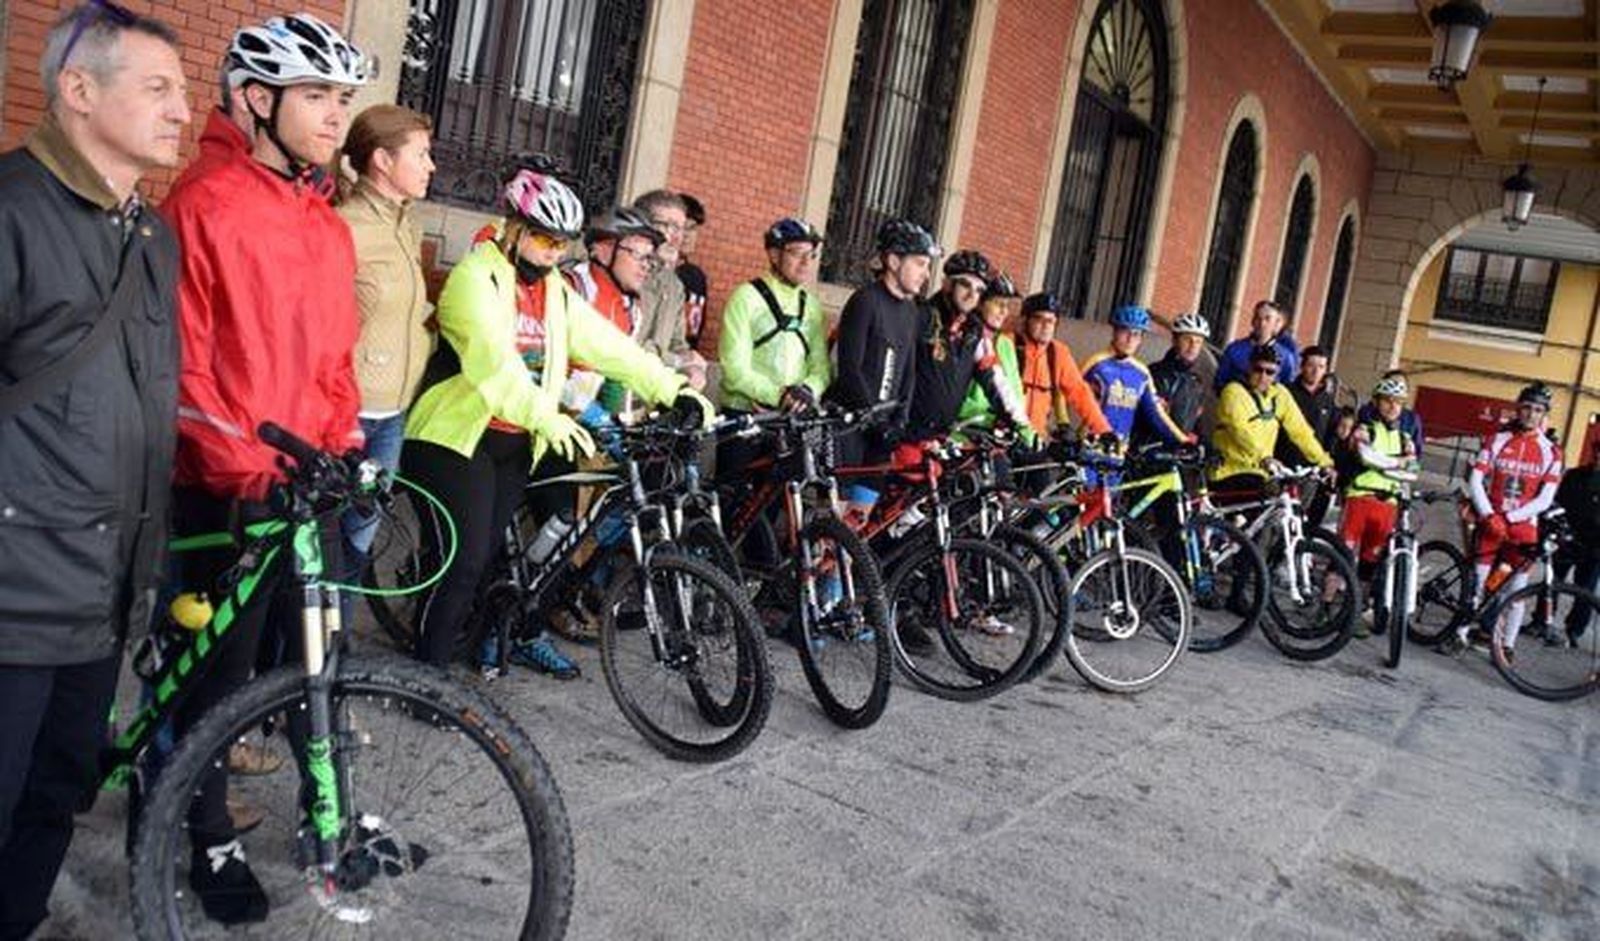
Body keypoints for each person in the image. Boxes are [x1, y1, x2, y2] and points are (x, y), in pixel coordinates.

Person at [161, 13, 372, 924]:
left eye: (341, 98)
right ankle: (197, 828)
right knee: (218, 674)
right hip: (226, 486)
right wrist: (250, 465)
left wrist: (345, 447)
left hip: (306, 487)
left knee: (320, 657)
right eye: (317, 96)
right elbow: (183, 367)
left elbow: (333, 361)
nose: (335, 116)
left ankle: (332, 820)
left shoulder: (324, 222)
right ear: (256, 99)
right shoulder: (200, 203)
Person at [0, 8, 187, 936]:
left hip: (108, 586)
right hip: (13, 589)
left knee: (56, 796)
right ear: (78, 91)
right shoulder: (10, 211)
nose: (182, 111)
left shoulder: (152, 239)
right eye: (156, 88)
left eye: (182, 92)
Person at [401, 168, 712, 676]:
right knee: (465, 563)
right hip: (458, 436)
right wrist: (549, 416)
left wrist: (671, 389)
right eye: (545, 238)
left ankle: (483, 648)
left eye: (562, 243)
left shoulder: (552, 291)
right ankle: (425, 674)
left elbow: (610, 348)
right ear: (514, 227)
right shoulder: (474, 278)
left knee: (494, 564)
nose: (553, 252)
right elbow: (493, 365)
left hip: (515, 440)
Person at [337, 104, 436, 562]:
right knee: (325, 550)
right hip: (347, 418)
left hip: (392, 417)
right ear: (382, 159)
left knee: (360, 544)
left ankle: (338, 636)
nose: (430, 166)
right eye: (421, 154)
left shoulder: (406, 226)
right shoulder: (343, 226)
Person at [1440, 383, 1564, 659]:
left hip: (1522, 529)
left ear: (1544, 414)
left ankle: (1506, 646)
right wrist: (1488, 516)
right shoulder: (1496, 440)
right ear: (1518, 409)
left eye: (1538, 410)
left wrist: (1506, 518)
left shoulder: (1552, 452)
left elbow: (1544, 499)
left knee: (1515, 589)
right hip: (1490, 524)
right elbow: (1475, 480)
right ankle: (1458, 635)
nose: (1531, 414)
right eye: (1527, 408)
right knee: (1478, 583)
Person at [829, 219, 938, 521]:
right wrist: (876, 421)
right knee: (836, 524)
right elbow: (849, 370)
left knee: (856, 525)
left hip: (881, 435)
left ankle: (841, 569)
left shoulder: (911, 310)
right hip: (849, 429)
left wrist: (899, 420)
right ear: (892, 261)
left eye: (927, 266)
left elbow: (908, 371)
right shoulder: (865, 301)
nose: (926, 274)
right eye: (919, 264)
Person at [717, 217, 831, 454]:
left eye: (811, 255)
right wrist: (778, 395)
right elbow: (733, 370)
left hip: (791, 418)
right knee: (735, 489)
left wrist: (807, 390)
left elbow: (821, 367)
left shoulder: (811, 306)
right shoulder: (746, 297)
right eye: (796, 253)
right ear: (773, 254)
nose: (805, 263)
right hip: (745, 415)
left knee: (786, 490)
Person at [905, 250, 1031, 442]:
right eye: (965, 285)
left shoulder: (974, 332)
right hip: (905, 434)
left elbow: (996, 381)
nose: (972, 294)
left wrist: (1021, 425)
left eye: (980, 290)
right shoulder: (922, 318)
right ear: (947, 284)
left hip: (940, 438)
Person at [566, 206, 667, 427]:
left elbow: (617, 375)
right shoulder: (571, 288)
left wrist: (613, 421)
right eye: (637, 254)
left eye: (649, 258)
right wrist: (589, 412)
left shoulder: (630, 309)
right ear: (602, 250)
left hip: (584, 426)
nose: (645, 266)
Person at [1339, 376, 1418, 637]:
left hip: (1388, 505)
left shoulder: (1406, 437)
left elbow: (1414, 470)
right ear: (1377, 402)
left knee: (1368, 566)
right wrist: (1397, 463)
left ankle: (1355, 612)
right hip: (1360, 498)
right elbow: (1365, 456)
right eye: (1388, 401)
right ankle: (1327, 607)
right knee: (1342, 559)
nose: (1393, 406)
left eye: (1398, 402)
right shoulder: (1365, 428)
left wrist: (1384, 462)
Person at [1209, 343, 1333, 501]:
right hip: (1229, 472)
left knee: (1282, 508)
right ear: (1249, 368)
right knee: (1253, 513)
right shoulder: (1233, 392)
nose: (1263, 376)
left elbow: (1300, 431)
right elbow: (1239, 430)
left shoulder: (1280, 394)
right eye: (1258, 369)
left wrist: (1324, 461)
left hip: (1261, 474)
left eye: (1270, 372)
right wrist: (1264, 458)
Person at [1082, 305, 1192, 450]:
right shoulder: (1097, 363)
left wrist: (1185, 442)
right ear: (1114, 332)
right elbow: (1066, 392)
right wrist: (1063, 424)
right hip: (1090, 447)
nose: (1130, 339)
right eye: (1125, 331)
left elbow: (1157, 414)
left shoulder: (1141, 373)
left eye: (1136, 334)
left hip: (1120, 452)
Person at [632, 189, 708, 390]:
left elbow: (678, 344)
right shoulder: (624, 273)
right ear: (640, 224)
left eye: (680, 229)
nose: (676, 238)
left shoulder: (674, 285)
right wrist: (676, 361)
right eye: (667, 226)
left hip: (651, 397)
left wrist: (692, 367)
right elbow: (628, 345)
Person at [1012, 292, 1111, 442]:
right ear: (1026, 320)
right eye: (1039, 319)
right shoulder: (1009, 344)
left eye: (1051, 321)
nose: (1046, 326)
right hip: (1006, 436)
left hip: (1035, 439)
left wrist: (1103, 430)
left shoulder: (1058, 353)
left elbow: (1079, 392)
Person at [1277, 345, 1341, 529]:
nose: (1315, 371)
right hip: (1283, 466)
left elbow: (1331, 435)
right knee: (1275, 519)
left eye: (1321, 367)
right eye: (1311, 365)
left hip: (1310, 472)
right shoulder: (1286, 392)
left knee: (1298, 522)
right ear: (1302, 366)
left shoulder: (1327, 400)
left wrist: (1329, 464)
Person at [956, 270, 1024, 427]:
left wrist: (1024, 428)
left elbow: (1015, 393)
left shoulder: (1006, 345)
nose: (1004, 311)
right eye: (998, 304)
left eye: (1007, 306)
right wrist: (989, 417)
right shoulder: (964, 338)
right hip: (963, 433)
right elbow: (950, 396)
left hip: (999, 437)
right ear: (980, 303)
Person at [1553, 435, 1599, 644]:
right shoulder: (1574, 475)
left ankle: (1574, 630)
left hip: (1594, 547)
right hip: (1567, 540)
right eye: (1598, 450)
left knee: (1585, 592)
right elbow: (1559, 502)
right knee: (1553, 583)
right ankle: (1541, 620)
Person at [1139, 311, 1209, 443]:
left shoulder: (1196, 382)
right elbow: (1149, 417)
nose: (1192, 346)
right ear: (1175, 341)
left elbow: (1196, 422)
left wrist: (1202, 441)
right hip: (1151, 448)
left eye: (1198, 342)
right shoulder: (1155, 373)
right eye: (1187, 339)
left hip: (1180, 452)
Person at [1214, 299, 1300, 389]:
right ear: (1252, 321)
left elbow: (1287, 390)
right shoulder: (1234, 350)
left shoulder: (1286, 357)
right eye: (1258, 318)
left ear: (1275, 324)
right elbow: (1220, 382)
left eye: (1268, 319)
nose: (1262, 323)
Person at [1357, 368, 1425, 458]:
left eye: (1398, 400)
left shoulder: (1412, 421)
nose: (1393, 406)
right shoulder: (1367, 415)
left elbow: (1416, 454)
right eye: (1388, 399)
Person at [678, 192, 710, 351]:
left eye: (693, 228)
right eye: (683, 227)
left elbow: (694, 331)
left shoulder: (696, 277)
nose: (688, 236)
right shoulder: (647, 270)